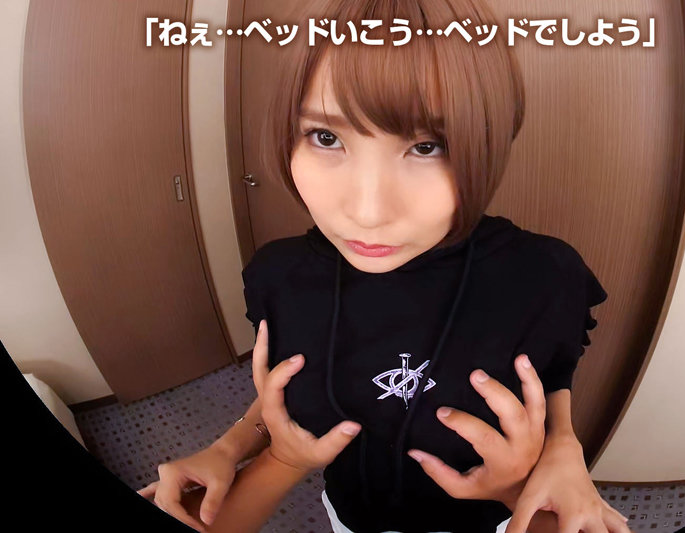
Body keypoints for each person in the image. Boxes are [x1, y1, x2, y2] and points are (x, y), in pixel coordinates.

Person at [139, 0, 631, 532]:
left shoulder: (542, 274)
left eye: (427, 146)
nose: (368, 213)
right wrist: (232, 444)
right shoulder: (279, 277)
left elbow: (550, 372)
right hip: (348, 516)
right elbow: (293, 385)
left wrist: (562, 447)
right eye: (326, 137)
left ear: (488, 142)